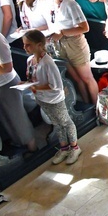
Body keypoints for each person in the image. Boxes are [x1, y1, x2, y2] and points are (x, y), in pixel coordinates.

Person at [22, 30, 81, 164]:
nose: (24, 48)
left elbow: (56, 85)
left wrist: (36, 87)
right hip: (41, 98)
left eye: (28, 45)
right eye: (24, 45)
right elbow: (33, 79)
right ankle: (64, 148)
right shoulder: (30, 60)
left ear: (38, 45)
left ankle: (75, 147)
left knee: (65, 122)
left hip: (54, 99)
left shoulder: (47, 62)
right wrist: (26, 84)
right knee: (56, 123)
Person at [40, 0, 99, 104]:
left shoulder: (70, 3)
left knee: (87, 78)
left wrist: (62, 33)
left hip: (74, 43)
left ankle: (97, 107)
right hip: (59, 44)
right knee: (76, 79)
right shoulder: (49, 4)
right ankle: (87, 104)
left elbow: (85, 27)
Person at [0, 13, 37, 153]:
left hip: (4, 85)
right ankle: (17, 145)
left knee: (17, 120)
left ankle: (33, 149)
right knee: (4, 120)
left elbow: (6, 67)